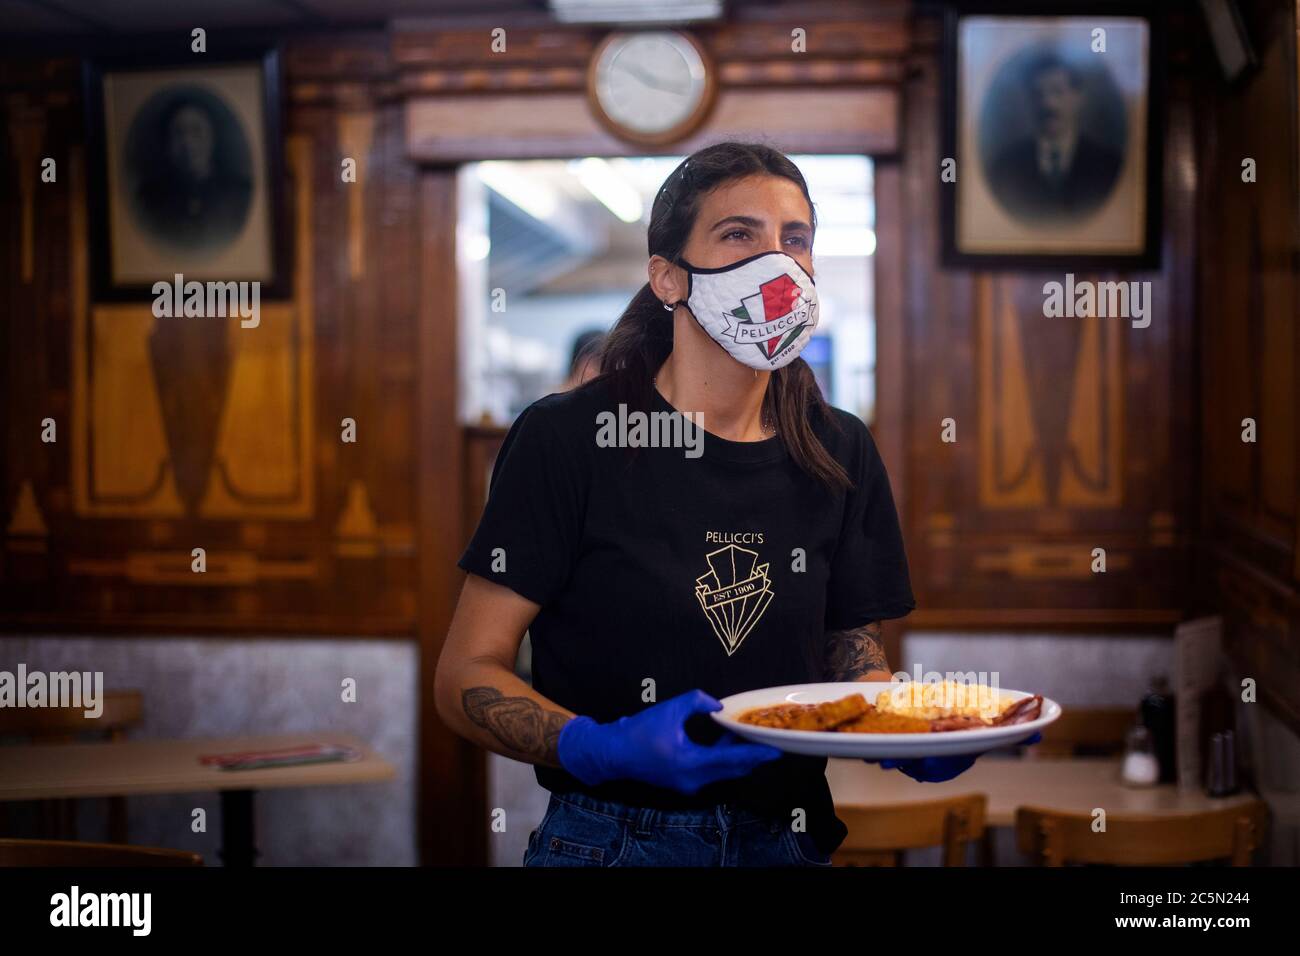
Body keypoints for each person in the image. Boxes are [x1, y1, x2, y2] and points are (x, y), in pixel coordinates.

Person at [437, 142, 977, 867]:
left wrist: (898, 725)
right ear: (668, 278)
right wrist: (594, 747)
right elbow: (463, 674)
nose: (777, 263)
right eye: (739, 235)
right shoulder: (568, 438)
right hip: (611, 841)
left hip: (787, 837)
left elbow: (850, 646)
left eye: (795, 239)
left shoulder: (839, 449)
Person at [983, 52, 1123, 223]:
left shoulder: (1107, 165)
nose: (1048, 103)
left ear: (1078, 97)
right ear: (1029, 101)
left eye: (1057, 92)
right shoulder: (1005, 168)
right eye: (1038, 94)